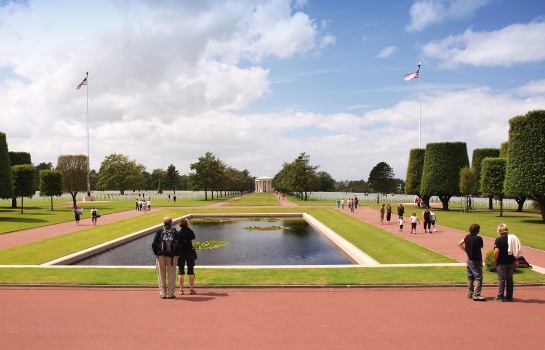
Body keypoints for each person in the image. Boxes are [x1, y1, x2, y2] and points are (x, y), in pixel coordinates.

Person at [152, 216, 180, 299]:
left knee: (161, 274)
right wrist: (176, 254)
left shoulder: (160, 230)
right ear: (171, 222)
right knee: (171, 275)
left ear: (163, 222)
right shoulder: (174, 231)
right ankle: (171, 294)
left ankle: (163, 293)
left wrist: (156, 253)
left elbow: (154, 244)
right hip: (172, 256)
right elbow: (179, 244)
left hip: (161, 255)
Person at [457, 224, 485, 301]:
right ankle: (476, 294)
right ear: (478, 230)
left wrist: (466, 250)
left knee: (470, 277)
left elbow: (459, 244)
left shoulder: (467, 237)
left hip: (469, 259)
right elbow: (481, 247)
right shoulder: (479, 238)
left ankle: (470, 292)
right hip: (476, 260)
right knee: (478, 277)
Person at [494, 223, 517, 302]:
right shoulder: (512, 239)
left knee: (502, 279)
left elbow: (496, 251)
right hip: (511, 261)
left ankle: (500, 296)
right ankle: (509, 296)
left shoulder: (499, 240)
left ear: (499, 231)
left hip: (502, 262)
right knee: (509, 279)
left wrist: (495, 259)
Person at [177, 218, 197, 295]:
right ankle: (191, 289)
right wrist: (189, 228)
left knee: (181, 272)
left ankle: (181, 290)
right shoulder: (189, 231)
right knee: (191, 271)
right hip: (189, 253)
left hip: (181, 253)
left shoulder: (178, 233)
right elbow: (193, 237)